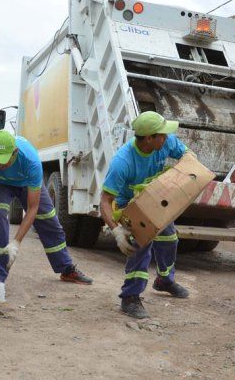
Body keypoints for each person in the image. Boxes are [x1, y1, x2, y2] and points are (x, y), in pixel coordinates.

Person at [0, 130, 93, 285]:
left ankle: (66, 269)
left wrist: (16, 243)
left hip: (26, 184)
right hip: (0, 184)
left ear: (15, 152)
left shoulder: (31, 161)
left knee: (48, 219)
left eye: (4, 160)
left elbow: (33, 208)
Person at [100, 111, 192, 319]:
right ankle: (130, 297)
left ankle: (164, 281)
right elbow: (104, 201)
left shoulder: (165, 143)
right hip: (130, 204)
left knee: (169, 239)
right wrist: (116, 231)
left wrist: (188, 164)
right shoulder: (122, 162)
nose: (167, 137)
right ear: (150, 138)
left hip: (154, 197)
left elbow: (186, 155)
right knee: (140, 245)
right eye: (162, 134)